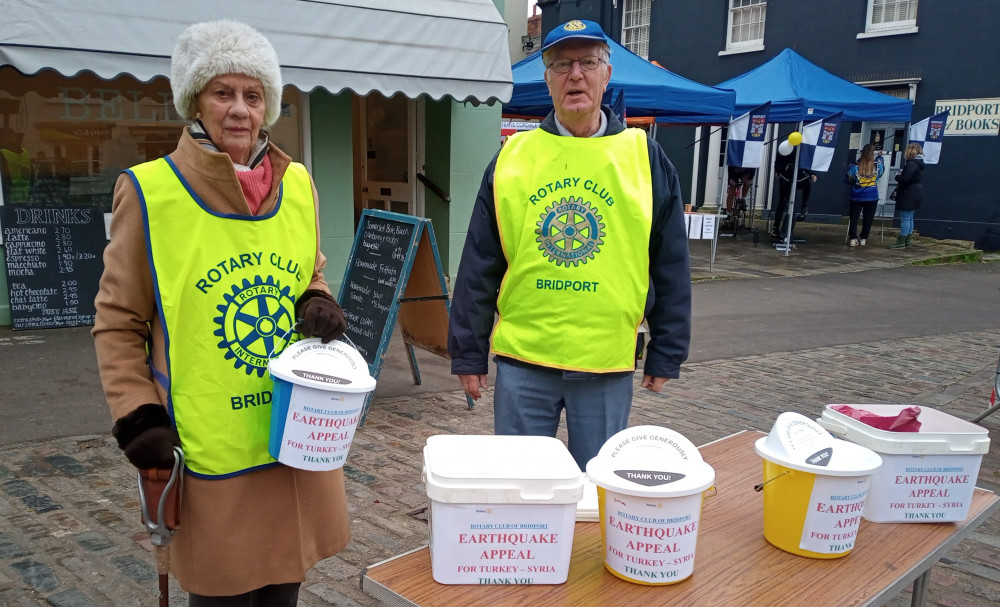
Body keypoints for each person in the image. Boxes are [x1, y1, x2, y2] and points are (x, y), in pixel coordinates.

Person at [92, 21, 349, 605]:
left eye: (253, 95)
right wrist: (138, 418)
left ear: (269, 107)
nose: (239, 110)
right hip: (207, 447)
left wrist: (317, 301)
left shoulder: (298, 183)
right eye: (222, 93)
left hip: (292, 436)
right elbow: (118, 320)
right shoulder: (150, 191)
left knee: (284, 589)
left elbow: (307, 272)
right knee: (219, 593)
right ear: (195, 101)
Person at [447, 19, 692, 471]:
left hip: (606, 363)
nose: (574, 74)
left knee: (595, 496)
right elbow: (480, 261)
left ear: (606, 73)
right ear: (547, 78)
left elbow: (670, 261)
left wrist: (667, 349)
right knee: (522, 490)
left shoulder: (646, 158)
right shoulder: (513, 158)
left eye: (587, 62)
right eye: (561, 64)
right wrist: (467, 350)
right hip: (524, 362)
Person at [771, 146, 816, 241]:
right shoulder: (785, 147)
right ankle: (776, 228)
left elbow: (806, 162)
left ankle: (804, 204)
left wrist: (812, 173)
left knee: (807, 184)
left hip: (799, 177)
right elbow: (778, 161)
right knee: (782, 202)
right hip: (786, 178)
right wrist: (777, 171)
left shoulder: (803, 149)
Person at [845, 143, 885, 247]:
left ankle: (853, 238)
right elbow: (882, 171)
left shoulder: (854, 166)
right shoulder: (877, 166)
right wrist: (880, 156)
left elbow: (848, 179)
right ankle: (863, 238)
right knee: (868, 218)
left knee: (854, 217)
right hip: (872, 196)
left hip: (856, 196)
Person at [887, 143, 925, 249]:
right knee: (909, 218)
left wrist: (898, 176)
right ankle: (908, 240)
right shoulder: (918, 164)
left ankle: (901, 241)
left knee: (905, 219)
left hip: (908, 194)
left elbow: (906, 179)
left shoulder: (911, 164)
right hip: (916, 192)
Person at [0, 127, 31, 203]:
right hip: (24, 198)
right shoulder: (26, 153)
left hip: (8, 200)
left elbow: (5, 179)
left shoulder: (2, 154)